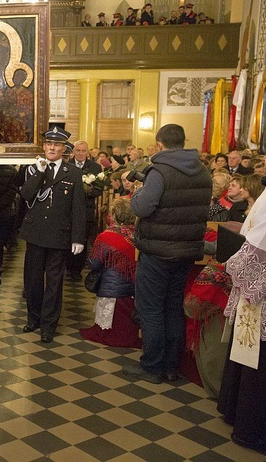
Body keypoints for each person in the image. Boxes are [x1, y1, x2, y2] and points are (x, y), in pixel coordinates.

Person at [217, 130, 266, 455]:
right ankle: (241, 415)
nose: (262, 159)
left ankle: (257, 429)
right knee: (252, 356)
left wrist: (237, 267)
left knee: (265, 363)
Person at [123, 124, 211, 384]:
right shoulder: (203, 171)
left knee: (151, 309)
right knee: (173, 308)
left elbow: (143, 206)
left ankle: (151, 366)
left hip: (158, 251)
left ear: (159, 144)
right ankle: (171, 366)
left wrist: (137, 193)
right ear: (183, 142)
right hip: (186, 250)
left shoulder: (159, 170)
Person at [20, 124, 86, 343]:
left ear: (63, 149)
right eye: (48, 144)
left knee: (55, 283)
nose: (51, 148)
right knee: (33, 279)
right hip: (36, 233)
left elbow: (78, 208)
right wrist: (40, 172)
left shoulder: (73, 173)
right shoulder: (34, 169)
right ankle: (33, 318)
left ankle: (48, 325)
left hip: (59, 235)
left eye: (56, 145)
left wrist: (77, 237)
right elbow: (26, 194)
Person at [79, 198, 141, 348]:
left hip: (112, 291)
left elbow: (94, 263)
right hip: (135, 290)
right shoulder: (138, 236)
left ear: (113, 215)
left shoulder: (106, 236)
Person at [65, 140, 104, 282]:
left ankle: (77, 269)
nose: (81, 153)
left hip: (86, 209)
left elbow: (100, 189)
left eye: (83, 151)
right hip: (68, 210)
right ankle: (67, 267)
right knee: (68, 238)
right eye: (78, 151)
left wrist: (89, 190)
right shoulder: (67, 165)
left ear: (87, 152)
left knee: (82, 239)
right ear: (73, 152)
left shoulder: (95, 167)